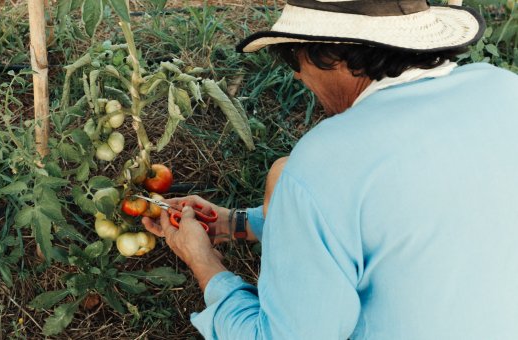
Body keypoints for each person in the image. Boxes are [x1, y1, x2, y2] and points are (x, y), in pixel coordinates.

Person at [142, 0, 518, 338]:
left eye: (294, 59)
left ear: (333, 56)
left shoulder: (324, 162)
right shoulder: (504, 88)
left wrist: (203, 263)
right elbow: (408, 219)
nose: (297, 76)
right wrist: (235, 223)